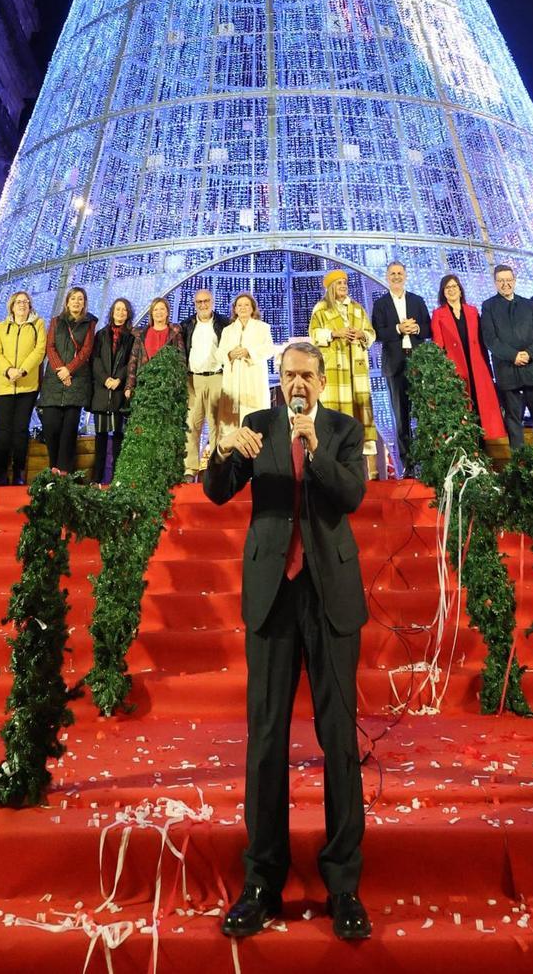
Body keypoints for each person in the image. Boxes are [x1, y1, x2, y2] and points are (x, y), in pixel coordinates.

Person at [204, 339, 372, 944]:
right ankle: (262, 880)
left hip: (330, 595)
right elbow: (218, 490)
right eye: (289, 375)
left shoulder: (342, 430)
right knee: (268, 737)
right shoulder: (258, 425)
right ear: (279, 380)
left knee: (338, 739)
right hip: (273, 595)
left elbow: (351, 495)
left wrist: (315, 447)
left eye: (306, 375)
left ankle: (343, 883)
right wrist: (222, 448)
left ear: (321, 381)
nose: (297, 384)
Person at [478, 264, 533, 456]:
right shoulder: (488, 306)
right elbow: (490, 339)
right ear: (495, 283)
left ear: (514, 280)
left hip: (531, 370)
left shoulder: (528, 305)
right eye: (501, 281)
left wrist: (529, 353)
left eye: (508, 280)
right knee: (513, 419)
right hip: (507, 373)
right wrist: (513, 356)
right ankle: (520, 464)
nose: (505, 284)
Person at [369, 260, 431, 476]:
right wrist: (398, 328)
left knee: (424, 413)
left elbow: (429, 328)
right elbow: (376, 333)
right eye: (393, 273)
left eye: (399, 273)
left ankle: (428, 459)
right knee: (400, 415)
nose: (396, 277)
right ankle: (408, 464)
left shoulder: (417, 300)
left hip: (418, 362)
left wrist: (417, 328)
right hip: (395, 365)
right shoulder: (380, 304)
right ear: (387, 277)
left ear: (405, 276)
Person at [308, 271, 377, 462]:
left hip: (356, 366)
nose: (343, 286)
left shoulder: (357, 308)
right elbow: (314, 334)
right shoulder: (321, 308)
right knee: (336, 410)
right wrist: (334, 333)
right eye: (339, 283)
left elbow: (371, 333)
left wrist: (362, 335)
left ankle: (364, 459)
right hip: (335, 367)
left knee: (360, 407)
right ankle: (335, 454)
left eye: (345, 283)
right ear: (331, 287)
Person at [429, 274, 506, 444]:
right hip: (455, 370)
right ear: (443, 292)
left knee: (480, 408)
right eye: (447, 287)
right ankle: (468, 450)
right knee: (462, 410)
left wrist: (488, 368)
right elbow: (438, 346)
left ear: (460, 289)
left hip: (477, 367)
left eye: (454, 286)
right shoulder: (438, 314)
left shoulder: (472, 311)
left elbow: (481, 341)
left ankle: (482, 450)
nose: (451, 290)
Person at [0, 291, 46, 486]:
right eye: (19, 302)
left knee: (21, 429)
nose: (22, 305)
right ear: (12, 306)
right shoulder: (1, 327)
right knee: (4, 430)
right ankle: (1, 471)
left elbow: (39, 350)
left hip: (27, 386)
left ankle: (19, 471)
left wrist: (22, 370)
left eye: (26, 302)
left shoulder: (38, 324)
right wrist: (8, 370)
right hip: (4, 386)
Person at [40, 286, 97, 474]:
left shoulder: (89, 323)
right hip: (55, 380)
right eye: (73, 298)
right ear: (67, 301)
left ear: (84, 302)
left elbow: (86, 350)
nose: (76, 302)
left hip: (77, 380)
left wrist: (69, 369)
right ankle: (53, 467)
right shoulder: (56, 321)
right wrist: (61, 370)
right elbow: (50, 346)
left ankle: (64, 471)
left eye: (80, 299)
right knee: (51, 425)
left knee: (69, 429)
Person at [178, 287, 230, 481]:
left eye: (206, 301)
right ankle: (190, 469)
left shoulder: (224, 323)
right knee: (192, 424)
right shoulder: (186, 325)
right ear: (195, 304)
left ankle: (215, 467)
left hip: (217, 377)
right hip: (193, 379)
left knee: (216, 424)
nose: (203, 305)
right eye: (199, 302)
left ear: (212, 302)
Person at [91, 298, 143, 484]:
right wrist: (105, 379)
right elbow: (95, 360)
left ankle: (117, 479)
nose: (120, 313)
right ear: (112, 312)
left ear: (128, 314)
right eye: (117, 309)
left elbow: (132, 361)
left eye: (124, 310)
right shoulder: (101, 335)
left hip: (120, 392)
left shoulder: (133, 337)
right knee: (100, 436)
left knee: (119, 436)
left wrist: (119, 379)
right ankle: (97, 479)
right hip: (101, 391)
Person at [216, 293, 274, 449]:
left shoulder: (262, 328)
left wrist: (249, 352)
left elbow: (269, 349)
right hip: (233, 380)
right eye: (239, 305)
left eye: (246, 305)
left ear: (252, 308)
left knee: (255, 421)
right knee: (232, 423)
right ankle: (233, 455)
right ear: (235, 309)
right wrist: (230, 354)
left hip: (253, 379)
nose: (243, 308)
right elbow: (219, 353)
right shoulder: (227, 330)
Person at [142, 296, 182, 360]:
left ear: (167, 312)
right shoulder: (142, 334)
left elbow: (181, 357)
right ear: (151, 314)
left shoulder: (175, 333)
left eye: (162, 309)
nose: (159, 312)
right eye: (155, 309)